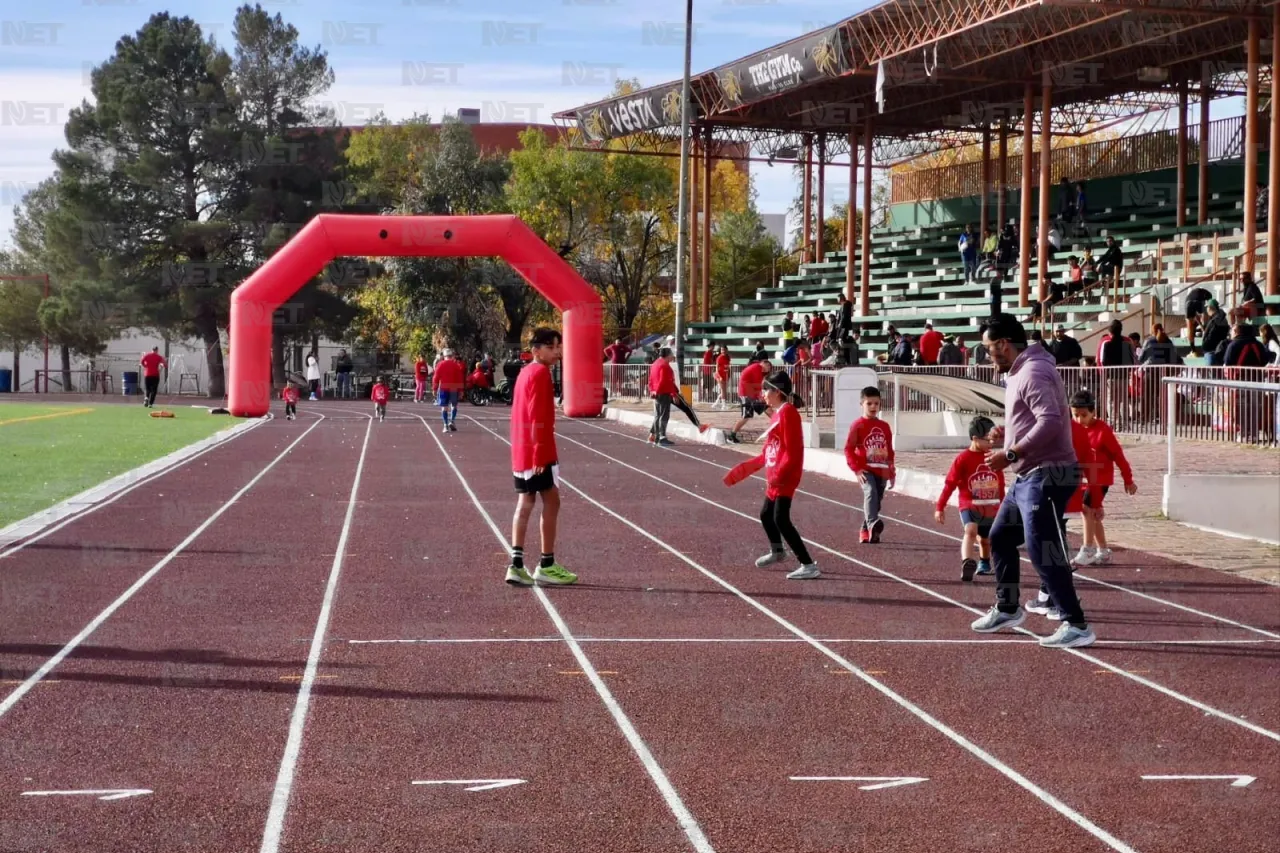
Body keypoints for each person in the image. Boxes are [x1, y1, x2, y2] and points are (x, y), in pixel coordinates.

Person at [969, 312, 1095, 649]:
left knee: (1043, 548)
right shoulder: (1023, 372)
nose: (987, 356)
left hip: (1048, 473)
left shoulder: (1033, 371)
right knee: (1000, 537)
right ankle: (1009, 607)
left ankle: (1076, 623)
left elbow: (1051, 421)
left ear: (1004, 345)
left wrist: (1010, 454)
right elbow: (1033, 418)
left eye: (988, 349)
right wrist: (1007, 436)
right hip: (1031, 473)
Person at [723, 371, 819, 580]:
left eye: (766, 389)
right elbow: (769, 449)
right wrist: (743, 470)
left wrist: (780, 474)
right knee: (766, 514)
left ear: (777, 392)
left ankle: (808, 564)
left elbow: (793, 451)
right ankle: (778, 551)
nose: (762, 393)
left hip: (785, 476)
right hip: (775, 475)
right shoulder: (778, 413)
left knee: (781, 519)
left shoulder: (788, 413)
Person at [506, 327, 577, 587]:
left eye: (558, 346)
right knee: (551, 501)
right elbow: (538, 416)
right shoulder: (540, 374)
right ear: (536, 350)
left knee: (526, 502)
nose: (557, 352)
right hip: (538, 451)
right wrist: (539, 453)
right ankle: (546, 564)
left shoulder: (526, 373)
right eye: (551, 347)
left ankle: (516, 563)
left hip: (522, 449)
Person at [1068, 389, 1136, 566]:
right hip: (1084, 478)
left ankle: (1087, 549)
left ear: (1094, 412)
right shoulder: (1073, 429)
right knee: (1093, 513)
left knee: (1086, 508)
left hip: (1101, 478)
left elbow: (1118, 455)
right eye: (1075, 415)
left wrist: (1128, 479)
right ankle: (1103, 551)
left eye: (1083, 415)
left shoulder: (1103, 431)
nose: (1079, 420)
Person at [935, 416, 1005, 581]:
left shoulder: (993, 458)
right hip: (969, 505)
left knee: (986, 540)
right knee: (970, 531)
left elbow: (1000, 484)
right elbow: (950, 484)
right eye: (988, 440)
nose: (992, 443)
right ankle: (967, 561)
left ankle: (985, 562)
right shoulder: (963, 459)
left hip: (990, 507)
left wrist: (1004, 505)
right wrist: (940, 506)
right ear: (975, 439)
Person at [844, 386, 895, 544]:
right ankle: (873, 524)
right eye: (869, 403)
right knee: (870, 492)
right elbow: (848, 449)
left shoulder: (885, 426)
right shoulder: (857, 425)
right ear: (862, 404)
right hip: (865, 469)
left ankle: (865, 530)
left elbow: (889, 451)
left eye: (876, 403)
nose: (873, 407)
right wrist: (857, 469)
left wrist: (891, 472)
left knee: (876, 502)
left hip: (882, 470)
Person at [725, 357, 771, 444]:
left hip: (751, 395)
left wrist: (761, 396)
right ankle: (731, 436)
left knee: (767, 409)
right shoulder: (757, 368)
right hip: (746, 395)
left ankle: (779, 427)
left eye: (770, 366)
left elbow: (757, 386)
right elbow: (757, 385)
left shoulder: (757, 369)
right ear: (763, 363)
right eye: (767, 365)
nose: (768, 368)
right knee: (746, 417)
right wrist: (761, 396)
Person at [432, 349, 464, 433]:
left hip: (443, 387)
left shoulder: (440, 364)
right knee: (454, 405)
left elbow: (436, 377)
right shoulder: (456, 365)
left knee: (444, 407)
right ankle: (452, 420)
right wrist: (461, 390)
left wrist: (434, 388)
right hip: (454, 387)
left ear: (444, 356)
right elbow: (459, 379)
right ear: (452, 356)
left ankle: (445, 425)